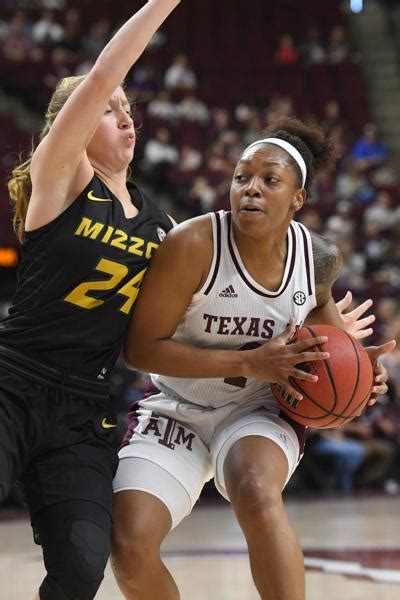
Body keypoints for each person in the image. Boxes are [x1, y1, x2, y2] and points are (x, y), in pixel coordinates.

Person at [111, 117, 395, 600]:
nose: (251, 190)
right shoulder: (193, 245)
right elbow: (140, 350)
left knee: (258, 494)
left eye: (270, 180)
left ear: (297, 199)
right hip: (176, 406)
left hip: (257, 410)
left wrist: (361, 372)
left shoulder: (318, 259)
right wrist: (249, 363)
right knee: (128, 545)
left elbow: (324, 347)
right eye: (242, 177)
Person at [0, 2, 181, 600]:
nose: (126, 117)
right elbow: (104, 72)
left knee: (81, 567)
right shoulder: (65, 175)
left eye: (130, 109)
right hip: (12, 382)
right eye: (110, 110)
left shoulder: (164, 225)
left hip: (83, 407)